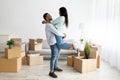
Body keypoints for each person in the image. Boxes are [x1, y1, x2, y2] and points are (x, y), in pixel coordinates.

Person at [43, 13, 70, 78]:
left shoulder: (50, 24)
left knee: (57, 56)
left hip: (56, 42)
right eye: (49, 15)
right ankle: (51, 72)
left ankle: (55, 67)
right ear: (46, 17)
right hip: (53, 43)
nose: (51, 15)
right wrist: (64, 35)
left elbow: (57, 30)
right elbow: (57, 32)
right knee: (53, 57)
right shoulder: (49, 25)